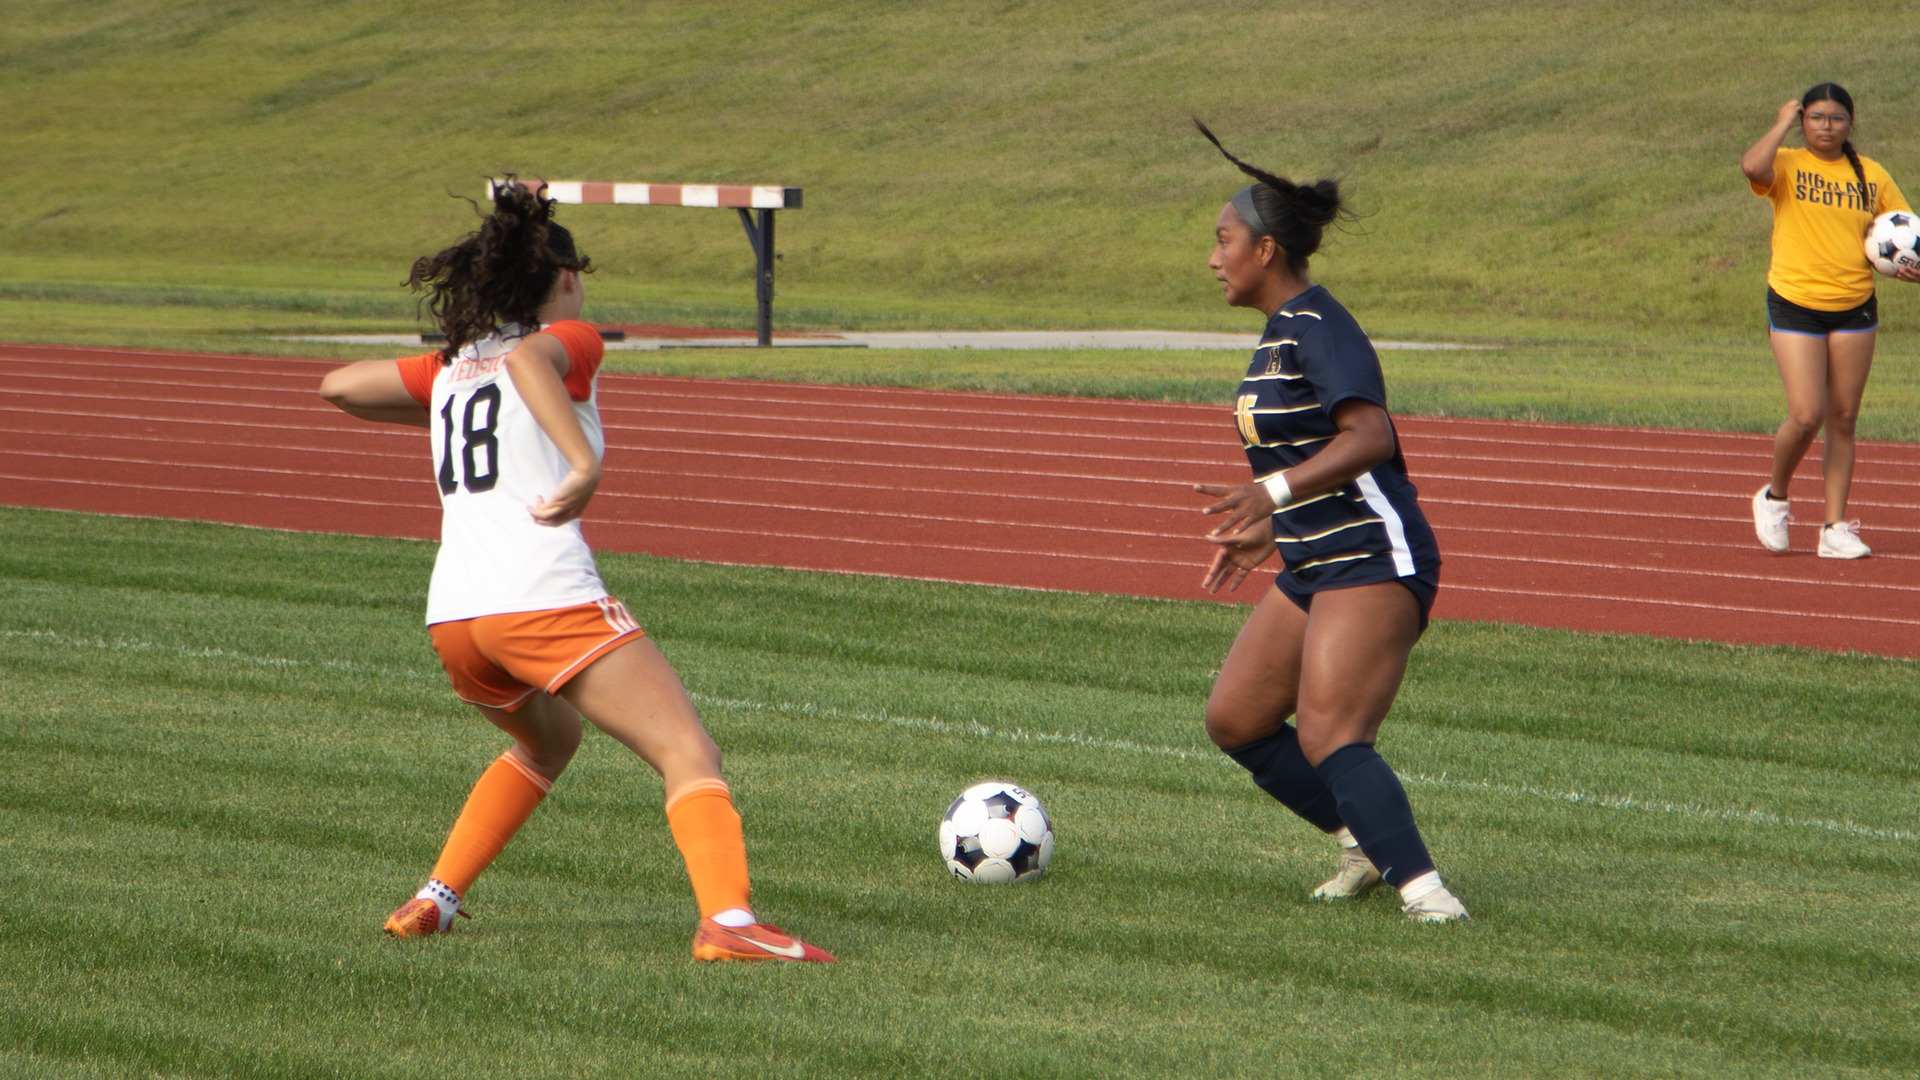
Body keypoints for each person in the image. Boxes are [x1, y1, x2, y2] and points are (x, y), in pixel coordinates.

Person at [318, 178, 832, 962]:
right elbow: (531, 361)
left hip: (456, 617)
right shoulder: (569, 340)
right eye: (579, 275)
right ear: (562, 279)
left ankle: (436, 899)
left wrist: (445, 397)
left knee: (544, 745)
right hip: (541, 597)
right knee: (688, 751)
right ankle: (729, 924)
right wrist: (584, 463)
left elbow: (339, 386)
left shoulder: (455, 369)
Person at [1188, 122, 1466, 923]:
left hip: (1375, 557)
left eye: (1223, 240)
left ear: (1266, 250)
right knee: (1236, 719)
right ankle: (1364, 844)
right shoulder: (1279, 335)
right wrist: (1273, 530)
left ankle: (1429, 896)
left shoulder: (1319, 325)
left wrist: (1271, 498)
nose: (1213, 257)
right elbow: (1316, 452)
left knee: (1331, 733)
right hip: (1317, 557)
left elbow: (1371, 438)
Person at [1742, 82, 1919, 558]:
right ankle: (1774, 497)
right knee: (1807, 414)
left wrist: (1912, 269)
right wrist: (1780, 122)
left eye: (1836, 118)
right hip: (1795, 301)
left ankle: (1835, 527)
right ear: (1803, 122)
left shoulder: (1872, 176)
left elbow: (1905, 233)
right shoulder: (1787, 162)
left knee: (1843, 417)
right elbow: (1751, 167)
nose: (1826, 126)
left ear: (1850, 123)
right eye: (1816, 117)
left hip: (1854, 305)